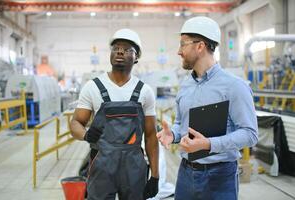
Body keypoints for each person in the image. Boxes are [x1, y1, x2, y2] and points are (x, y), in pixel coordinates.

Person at [156, 16, 258, 200]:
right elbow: (181, 123)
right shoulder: (186, 86)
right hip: (186, 172)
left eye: (183, 44)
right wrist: (173, 134)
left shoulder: (234, 86)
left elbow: (250, 134)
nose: (179, 51)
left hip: (220, 176)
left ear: (200, 46)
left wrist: (209, 144)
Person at [70, 28, 159, 200]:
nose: (119, 51)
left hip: (133, 166)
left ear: (136, 57)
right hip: (102, 164)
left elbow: (151, 136)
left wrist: (155, 175)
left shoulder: (144, 91)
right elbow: (75, 123)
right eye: (116, 48)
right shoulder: (93, 87)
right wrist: (86, 135)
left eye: (127, 49)